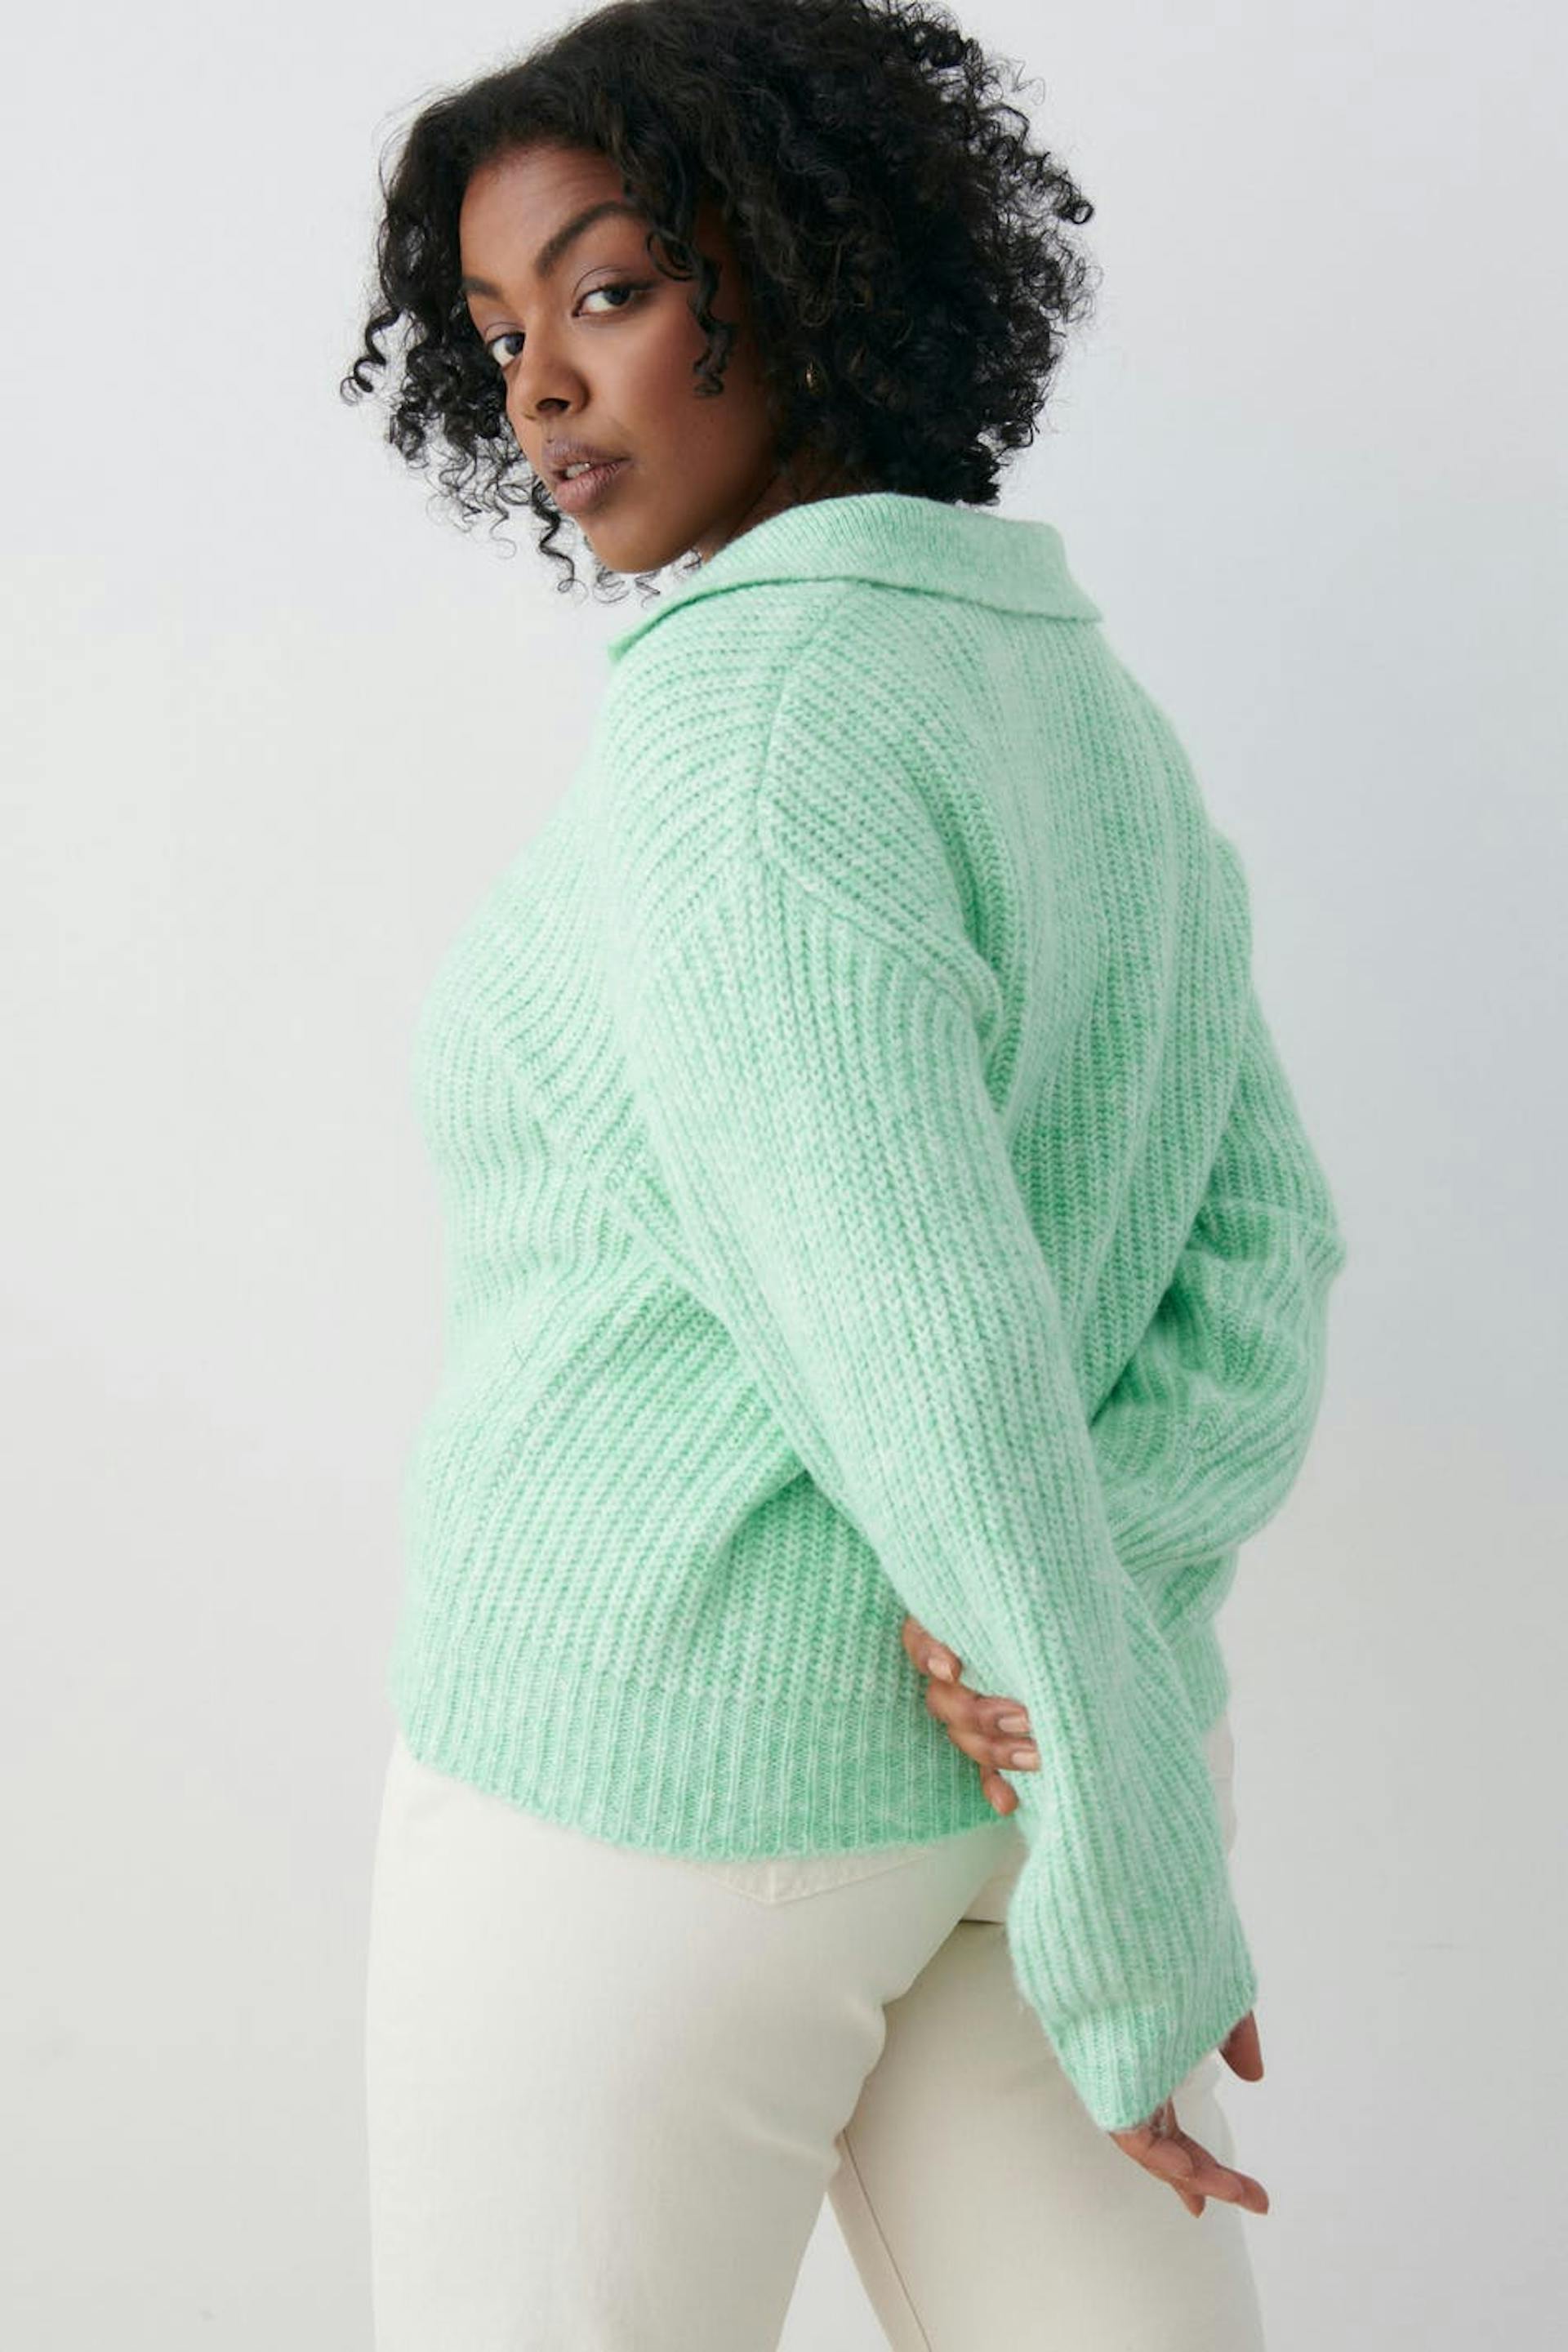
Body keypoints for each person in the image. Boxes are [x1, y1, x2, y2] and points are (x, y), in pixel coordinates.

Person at [341, 4, 1348, 2345]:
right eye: (498, 336)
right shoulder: (1068, 692)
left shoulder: (744, 724)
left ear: (801, 275)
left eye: (608, 292)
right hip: (1009, 1779)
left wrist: (1089, 1760)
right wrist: (1085, 1664)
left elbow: (916, 1326)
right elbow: (1263, 1248)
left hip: (669, 1780)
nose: (543, 391)